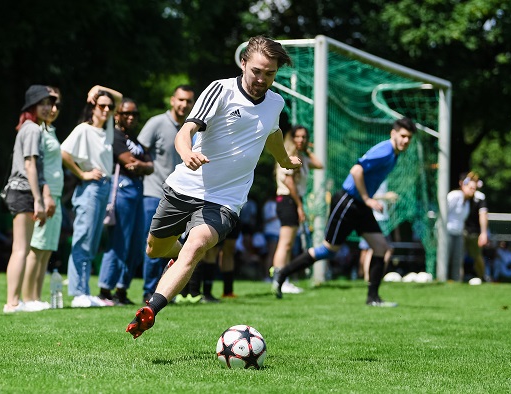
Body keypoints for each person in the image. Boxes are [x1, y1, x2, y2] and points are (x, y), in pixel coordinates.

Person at [126, 35, 301, 338]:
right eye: (257, 71)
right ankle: (177, 257)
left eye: (270, 74)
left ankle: (151, 308)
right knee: (154, 249)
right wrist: (187, 153)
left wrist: (284, 159)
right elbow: (187, 130)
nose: (262, 79)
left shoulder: (276, 102)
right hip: (185, 186)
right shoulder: (221, 90)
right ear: (243, 63)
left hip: (226, 199)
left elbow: (273, 133)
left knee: (194, 248)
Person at [272, 117, 417, 307]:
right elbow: (356, 171)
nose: (406, 141)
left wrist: (369, 200)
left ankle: (373, 298)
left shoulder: (395, 154)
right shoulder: (385, 149)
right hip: (347, 202)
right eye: (403, 136)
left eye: (409, 138)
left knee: (382, 247)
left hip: (360, 205)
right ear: (393, 134)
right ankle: (282, 273)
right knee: (328, 251)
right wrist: (367, 199)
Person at [62, 86, 123, 308]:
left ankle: (85, 291)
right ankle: (79, 292)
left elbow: (119, 98)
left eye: (109, 106)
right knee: (83, 239)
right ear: (93, 108)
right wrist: (82, 173)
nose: (106, 109)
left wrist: (99, 88)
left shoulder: (106, 128)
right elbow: (64, 152)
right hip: (90, 188)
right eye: (101, 105)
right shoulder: (83, 130)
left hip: (105, 187)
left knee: (94, 240)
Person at [138, 85, 195, 303]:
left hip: (183, 195)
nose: (184, 105)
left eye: (188, 101)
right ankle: (148, 291)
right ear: (172, 100)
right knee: (154, 245)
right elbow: (139, 149)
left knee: (178, 246)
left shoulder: (193, 129)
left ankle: (166, 290)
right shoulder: (156, 123)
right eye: (180, 100)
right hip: (154, 192)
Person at [1, 85, 55, 313]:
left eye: (49, 103)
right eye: (42, 103)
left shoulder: (28, 128)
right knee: (21, 248)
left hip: (20, 191)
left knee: (21, 248)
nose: (48, 108)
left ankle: (14, 301)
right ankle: (12, 302)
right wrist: (38, 199)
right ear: (32, 106)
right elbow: (30, 165)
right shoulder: (32, 129)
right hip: (23, 190)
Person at [97, 98, 153, 305]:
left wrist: (141, 165)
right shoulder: (116, 136)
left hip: (138, 191)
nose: (131, 117)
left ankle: (122, 289)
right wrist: (141, 164)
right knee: (119, 241)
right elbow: (127, 162)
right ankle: (105, 289)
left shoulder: (136, 140)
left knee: (137, 243)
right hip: (122, 191)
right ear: (117, 116)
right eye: (126, 113)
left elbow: (151, 166)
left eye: (135, 114)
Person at [21, 86, 64, 311]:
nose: (51, 109)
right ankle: (27, 298)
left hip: (54, 195)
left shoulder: (50, 129)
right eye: (46, 104)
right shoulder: (37, 131)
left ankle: (36, 297)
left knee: (46, 250)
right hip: (47, 195)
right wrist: (45, 195)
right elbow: (37, 167)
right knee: (36, 249)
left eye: (55, 104)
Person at [270, 125, 323, 294]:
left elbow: (320, 164)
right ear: (291, 138)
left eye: (304, 137)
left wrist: (308, 150)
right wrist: (300, 206)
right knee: (285, 243)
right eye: (297, 137)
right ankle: (279, 278)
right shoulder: (288, 156)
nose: (301, 140)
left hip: (293, 201)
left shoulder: (302, 157)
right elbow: (288, 182)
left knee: (289, 243)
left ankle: (281, 278)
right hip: (288, 200)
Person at [446, 173, 479, 282]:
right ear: (463, 185)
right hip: (447, 232)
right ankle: (441, 279)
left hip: (458, 233)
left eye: (474, 188)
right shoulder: (454, 196)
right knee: (445, 258)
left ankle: (456, 281)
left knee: (458, 260)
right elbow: (444, 212)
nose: (473, 190)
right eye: (470, 188)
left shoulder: (468, 202)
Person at [463, 172, 489, 281]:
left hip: (474, 232)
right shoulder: (460, 196)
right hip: (461, 230)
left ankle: (482, 277)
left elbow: (483, 215)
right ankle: (456, 277)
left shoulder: (480, 198)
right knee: (458, 256)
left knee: (477, 256)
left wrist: (483, 233)